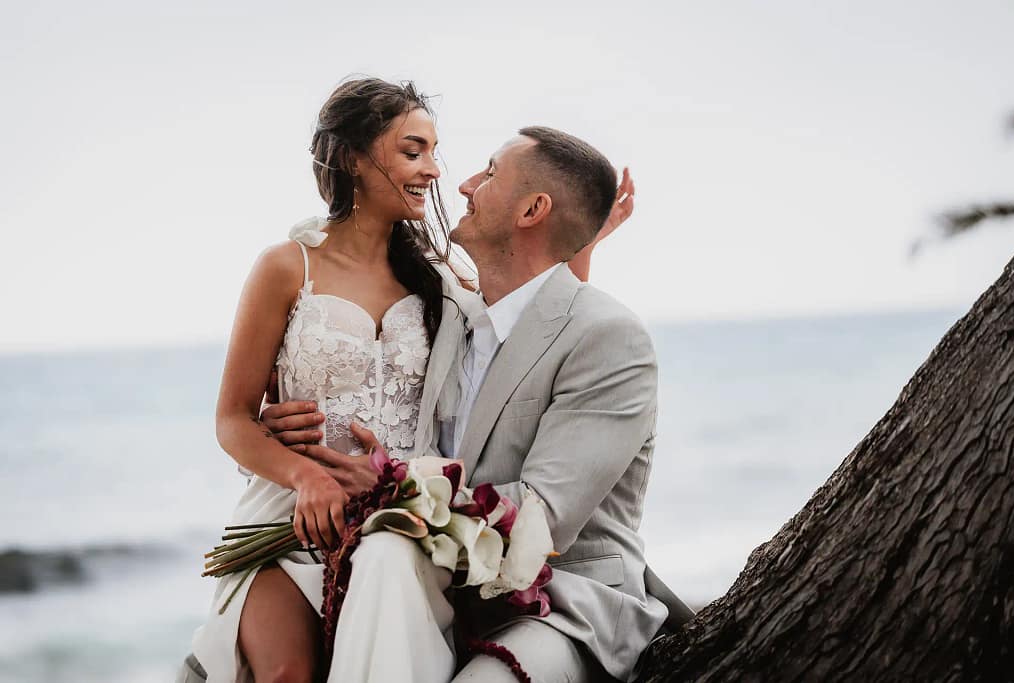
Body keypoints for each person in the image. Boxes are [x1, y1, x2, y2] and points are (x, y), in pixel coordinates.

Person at [182, 78, 636, 682]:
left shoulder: (442, 278)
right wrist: (305, 475)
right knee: (289, 675)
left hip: (395, 529)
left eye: (433, 152)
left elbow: (533, 328)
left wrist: (578, 239)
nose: (433, 171)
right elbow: (232, 419)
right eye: (412, 151)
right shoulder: (286, 267)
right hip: (292, 521)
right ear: (352, 158)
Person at [257, 128, 694, 681]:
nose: (461, 184)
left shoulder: (611, 337)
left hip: (562, 604)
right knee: (381, 562)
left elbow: (543, 516)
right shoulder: (448, 316)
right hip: (442, 591)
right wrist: (293, 415)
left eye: (488, 174)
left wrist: (392, 489)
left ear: (533, 209)